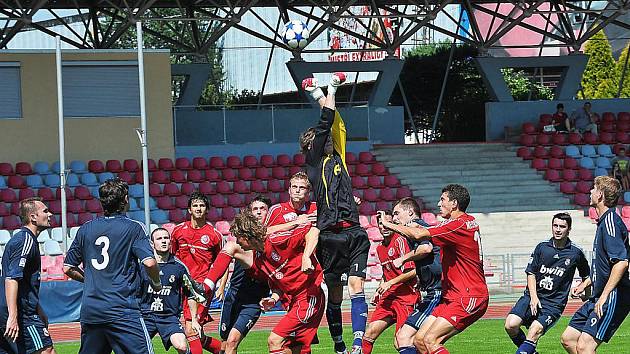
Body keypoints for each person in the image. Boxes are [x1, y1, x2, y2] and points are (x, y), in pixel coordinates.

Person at [300, 72, 370, 354]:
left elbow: (336, 124)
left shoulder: (338, 156)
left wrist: (326, 92)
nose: (328, 139)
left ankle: (356, 344)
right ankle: (339, 344)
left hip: (353, 231)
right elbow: (326, 122)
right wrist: (322, 92)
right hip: (329, 236)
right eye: (322, 138)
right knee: (335, 294)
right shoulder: (314, 163)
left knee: (356, 285)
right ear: (311, 146)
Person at [380, 184, 488, 354]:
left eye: (442, 200)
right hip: (452, 296)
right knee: (419, 341)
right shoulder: (464, 223)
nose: (438, 204)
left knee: (431, 340)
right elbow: (423, 232)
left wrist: (388, 224)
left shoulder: (457, 225)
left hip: (468, 295)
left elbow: (419, 236)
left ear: (454, 203)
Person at [63, 178, 162, 354]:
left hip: (92, 310)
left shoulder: (85, 229)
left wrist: (91, 281)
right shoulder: (134, 228)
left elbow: (68, 267)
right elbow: (150, 262)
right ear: (125, 199)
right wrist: (156, 283)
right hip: (123, 309)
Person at [561, 176, 630, 354]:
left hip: (613, 295)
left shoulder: (610, 223)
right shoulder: (603, 223)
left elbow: (621, 263)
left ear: (600, 195)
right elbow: (604, 267)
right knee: (568, 339)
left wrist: (605, 295)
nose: (590, 191)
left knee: (585, 347)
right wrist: (585, 284)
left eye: (593, 188)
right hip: (598, 295)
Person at [504, 213, 590, 354]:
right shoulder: (542, 247)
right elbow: (531, 272)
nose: (557, 229)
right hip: (532, 297)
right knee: (510, 325)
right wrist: (533, 297)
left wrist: (583, 289)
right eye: (555, 225)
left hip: (553, 304)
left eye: (562, 226)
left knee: (534, 331)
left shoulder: (575, 252)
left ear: (569, 229)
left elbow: (588, 276)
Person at [0, 197, 56, 354]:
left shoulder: (27, 240)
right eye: (45, 211)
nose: (50, 214)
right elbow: (11, 278)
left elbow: (25, 283)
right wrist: (13, 316)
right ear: (33, 217)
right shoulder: (25, 240)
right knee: (47, 350)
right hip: (21, 314)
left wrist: (39, 309)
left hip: (16, 311)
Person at [171, 192, 224, 354]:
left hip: (202, 287)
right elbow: (171, 258)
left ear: (207, 209)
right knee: (195, 331)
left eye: (202, 205)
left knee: (191, 328)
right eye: (195, 205)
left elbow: (223, 261)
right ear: (189, 209)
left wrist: (221, 286)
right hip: (181, 286)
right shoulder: (178, 231)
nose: (198, 208)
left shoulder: (214, 235)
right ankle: (223, 349)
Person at [387, 198, 442, 354]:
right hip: (431, 290)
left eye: (397, 213)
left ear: (410, 212)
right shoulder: (417, 229)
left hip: (436, 292)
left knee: (404, 338)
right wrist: (421, 276)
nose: (395, 218)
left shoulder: (416, 226)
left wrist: (402, 259)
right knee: (416, 342)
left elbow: (426, 248)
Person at [218, 195, 272, 353]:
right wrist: (221, 286)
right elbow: (225, 261)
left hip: (254, 300)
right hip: (234, 295)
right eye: (255, 209)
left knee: (232, 341)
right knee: (225, 343)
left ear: (269, 212)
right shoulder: (238, 237)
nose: (259, 212)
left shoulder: (274, 238)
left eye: (263, 209)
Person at [361, 210, 418, 354]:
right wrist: (379, 290)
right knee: (368, 335)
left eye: (388, 223)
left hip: (406, 298)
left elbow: (412, 272)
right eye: (381, 223)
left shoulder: (400, 240)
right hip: (389, 297)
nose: (384, 227)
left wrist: (390, 283)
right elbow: (387, 274)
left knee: (401, 341)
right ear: (378, 226)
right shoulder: (380, 248)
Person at [140, 227, 202, 354]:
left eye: (166, 238)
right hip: (145, 316)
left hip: (168, 317)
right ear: (152, 244)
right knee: (133, 348)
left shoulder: (179, 267)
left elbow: (190, 294)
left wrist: (194, 320)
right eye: (159, 238)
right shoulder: (143, 265)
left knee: (182, 346)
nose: (163, 241)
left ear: (170, 241)